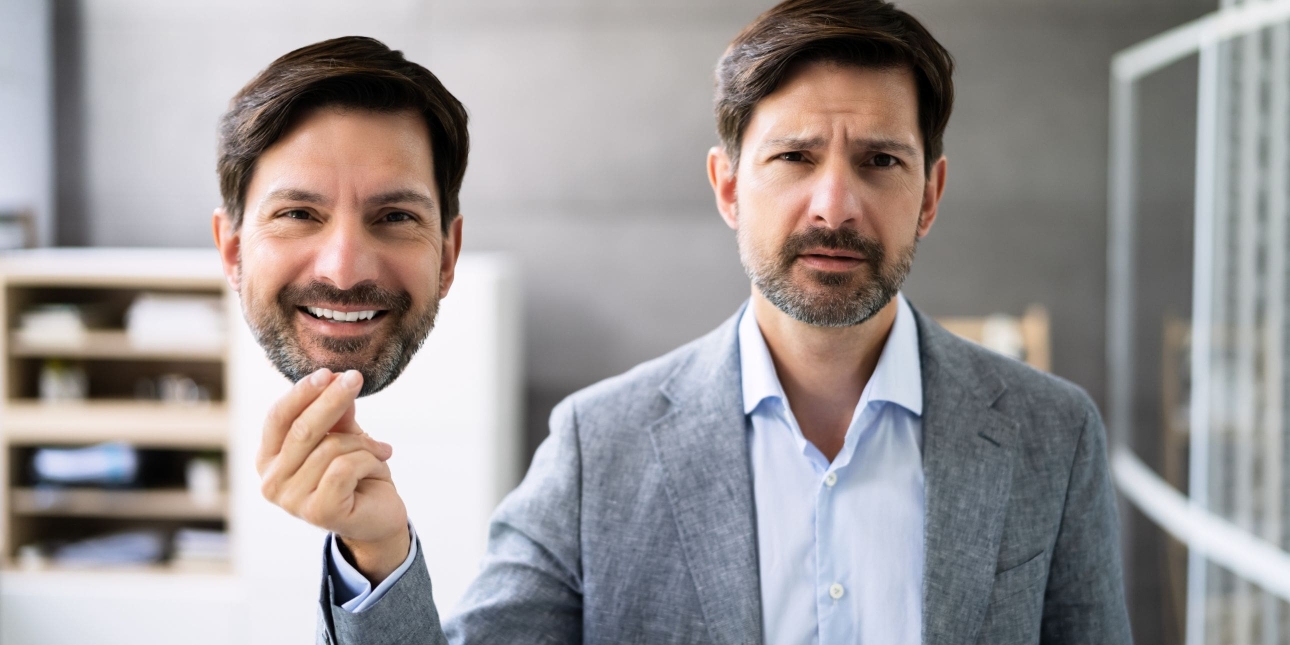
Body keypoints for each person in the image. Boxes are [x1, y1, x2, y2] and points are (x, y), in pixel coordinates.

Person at [220, 1, 1132, 643]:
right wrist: (376, 554)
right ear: (729, 186)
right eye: (794, 155)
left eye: (882, 160)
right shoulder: (598, 445)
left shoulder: (1053, 436)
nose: (835, 202)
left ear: (929, 194)